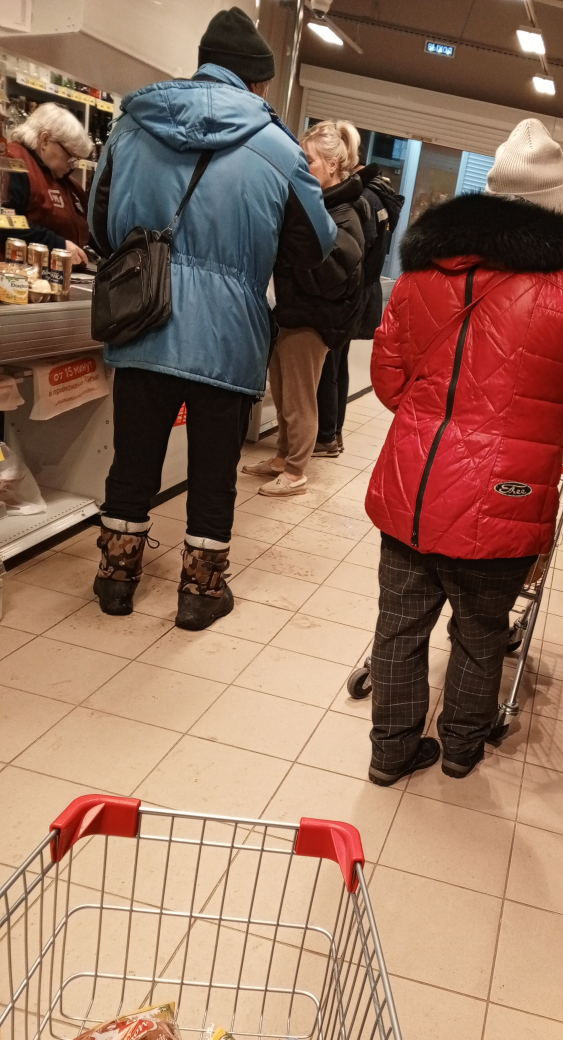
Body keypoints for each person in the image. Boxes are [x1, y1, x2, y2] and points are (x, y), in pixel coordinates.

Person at [363, 118, 563, 786]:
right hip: (504, 496)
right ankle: (462, 749)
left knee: (398, 626)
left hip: (413, 485)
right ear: (559, 209)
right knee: (481, 630)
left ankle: (390, 752)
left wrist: (441, 416)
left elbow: (389, 382)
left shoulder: (424, 270)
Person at [88, 6, 336, 630]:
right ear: (258, 81)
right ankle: (199, 595)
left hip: (143, 321)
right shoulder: (277, 147)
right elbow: (316, 244)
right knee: (213, 469)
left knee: (132, 458)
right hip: (228, 335)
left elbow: (98, 224)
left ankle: (116, 580)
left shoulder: (132, 124)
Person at [243, 119, 367, 494]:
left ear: (332, 164)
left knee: (299, 400)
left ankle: (296, 470)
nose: (302, 168)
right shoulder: (317, 206)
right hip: (290, 313)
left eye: (308, 161)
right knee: (283, 394)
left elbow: (332, 275)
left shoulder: (343, 212)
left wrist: (292, 251)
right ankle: (282, 456)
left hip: (311, 320)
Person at [314, 162, 405, 455]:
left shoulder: (364, 198)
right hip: (364, 292)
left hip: (351, 294)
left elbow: (355, 252)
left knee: (330, 365)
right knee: (338, 364)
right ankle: (334, 432)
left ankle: (326, 435)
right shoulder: (382, 197)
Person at [6, 103, 93, 264]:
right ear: (45, 140)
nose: (72, 165)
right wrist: (58, 245)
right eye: (71, 157)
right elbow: (6, 223)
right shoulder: (12, 164)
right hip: (15, 273)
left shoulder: (64, 181)